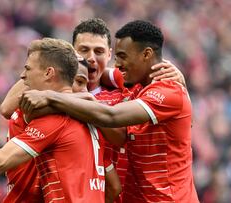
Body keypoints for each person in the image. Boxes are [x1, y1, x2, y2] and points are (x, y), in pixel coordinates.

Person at [20, 21, 199, 202]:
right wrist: (62, 69)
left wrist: (51, 97)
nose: (118, 64)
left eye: (122, 56)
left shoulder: (167, 91)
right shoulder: (132, 82)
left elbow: (111, 117)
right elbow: (6, 106)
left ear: (146, 54)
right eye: (84, 50)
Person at [0, 38, 106, 202]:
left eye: (28, 69)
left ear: (49, 73)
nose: (22, 76)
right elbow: (5, 108)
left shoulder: (55, 116)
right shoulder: (87, 113)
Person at [71, 18, 186, 203]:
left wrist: (61, 99)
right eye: (84, 50)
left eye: (99, 51)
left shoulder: (143, 88)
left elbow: (114, 121)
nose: (91, 57)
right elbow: (6, 107)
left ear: (108, 54)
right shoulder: (56, 87)